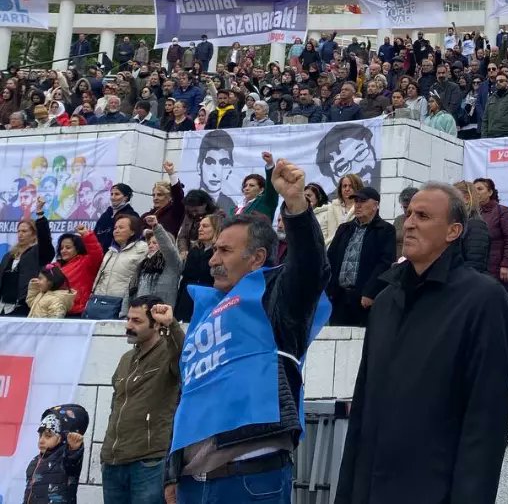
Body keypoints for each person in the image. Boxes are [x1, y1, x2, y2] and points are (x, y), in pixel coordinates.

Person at [335, 182, 508, 504]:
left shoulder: (483, 300)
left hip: (433, 490)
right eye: (408, 214)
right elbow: (363, 407)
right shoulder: (387, 300)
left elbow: (485, 420)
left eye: (423, 215)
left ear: (453, 231)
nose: (409, 223)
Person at [168, 159, 329, 504]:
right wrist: (173, 472)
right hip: (192, 484)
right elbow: (188, 393)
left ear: (257, 258)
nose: (212, 260)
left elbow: (310, 268)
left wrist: (296, 206)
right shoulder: (206, 311)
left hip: (251, 478)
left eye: (225, 251)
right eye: (213, 250)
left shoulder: (277, 298)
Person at [101, 297, 182, 504]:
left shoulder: (168, 352)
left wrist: (171, 325)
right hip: (113, 461)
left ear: (155, 324)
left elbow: (185, 358)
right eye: (128, 319)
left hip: (149, 462)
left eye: (137, 321)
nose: (129, 325)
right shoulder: (126, 359)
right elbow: (115, 406)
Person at [326, 187, 396, 327]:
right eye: (356, 201)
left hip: (364, 299)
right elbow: (330, 259)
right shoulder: (344, 229)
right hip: (339, 297)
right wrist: (329, 290)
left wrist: (371, 292)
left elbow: (385, 263)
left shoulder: (385, 230)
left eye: (363, 201)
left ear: (375, 205)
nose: (358, 205)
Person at [0, 196, 55, 316]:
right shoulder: (9, 255)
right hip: (3, 306)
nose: (20, 234)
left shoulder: (38, 252)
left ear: (34, 234)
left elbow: (45, 240)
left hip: (23, 306)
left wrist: (40, 213)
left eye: (24, 231)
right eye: (19, 231)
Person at [89, 215, 148, 319]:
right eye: (115, 228)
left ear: (132, 231)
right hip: (99, 299)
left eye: (121, 228)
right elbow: (100, 275)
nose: (116, 231)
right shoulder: (111, 251)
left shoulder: (142, 249)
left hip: (122, 301)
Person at [24, 411, 84, 504]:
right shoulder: (34, 462)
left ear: (60, 437)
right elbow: (28, 494)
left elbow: (72, 463)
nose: (41, 441)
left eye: (48, 436)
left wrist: (74, 449)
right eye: (40, 435)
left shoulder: (64, 458)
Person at [174, 212, 221, 323]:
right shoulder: (194, 250)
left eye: (205, 226)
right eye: (199, 226)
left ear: (216, 228)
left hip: (208, 301)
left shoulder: (219, 253)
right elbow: (185, 280)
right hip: (187, 301)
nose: (200, 229)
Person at [474, 178, 508, 293]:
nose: (476, 192)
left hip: (497, 269)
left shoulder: (502, 211)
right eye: (474, 190)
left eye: (480, 189)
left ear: (490, 192)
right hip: (477, 269)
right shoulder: (471, 214)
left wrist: (506, 265)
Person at [129, 217, 183, 311]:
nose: (150, 245)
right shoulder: (143, 264)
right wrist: (124, 313)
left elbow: (168, 248)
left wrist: (156, 227)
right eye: (149, 243)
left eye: (155, 243)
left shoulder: (172, 262)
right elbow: (130, 291)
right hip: (140, 312)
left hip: (161, 313)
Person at [55, 225, 105, 317]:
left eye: (68, 247)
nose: (63, 250)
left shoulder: (85, 262)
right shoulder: (56, 266)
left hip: (78, 311)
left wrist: (87, 235)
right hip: (58, 310)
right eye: (61, 248)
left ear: (77, 248)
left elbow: (97, 254)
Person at [453, 180, 492, 272]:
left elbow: (475, 264)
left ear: (466, 199)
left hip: (466, 282)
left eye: (453, 198)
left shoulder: (476, 225)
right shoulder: (457, 223)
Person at [196, 130, 237, 216]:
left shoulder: (232, 207)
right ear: (199, 166)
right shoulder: (191, 203)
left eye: (224, 163)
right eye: (210, 162)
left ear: (230, 170)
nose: (216, 172)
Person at [234, 152, 280, 220]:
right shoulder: (234, 208)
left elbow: (271, 187)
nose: (246, 188)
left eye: (251, 185)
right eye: (245, 185)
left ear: (261, 190)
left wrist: (270, 165)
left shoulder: (265, 202)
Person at [95, 183, 138, 252]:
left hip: (117, 254)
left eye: (117, 194)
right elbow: (95, 235)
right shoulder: (105, 215)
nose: (113, 197)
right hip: (99, 255)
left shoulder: (131, 215)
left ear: (126, 197)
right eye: (111, 194)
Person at [481, 72, 508, 137]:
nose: (498, 83)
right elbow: (485, 119)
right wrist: (484, 137)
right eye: (497, 81)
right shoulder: (491, 98)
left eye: (501, 81)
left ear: (507, 83)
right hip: (491, 136)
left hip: (507, 135)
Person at [391, 186, 418, 259]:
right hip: (397, 262)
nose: (406, 210)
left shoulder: (421, 220)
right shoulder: (398, 220)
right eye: (404, 207)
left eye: (409, 206)